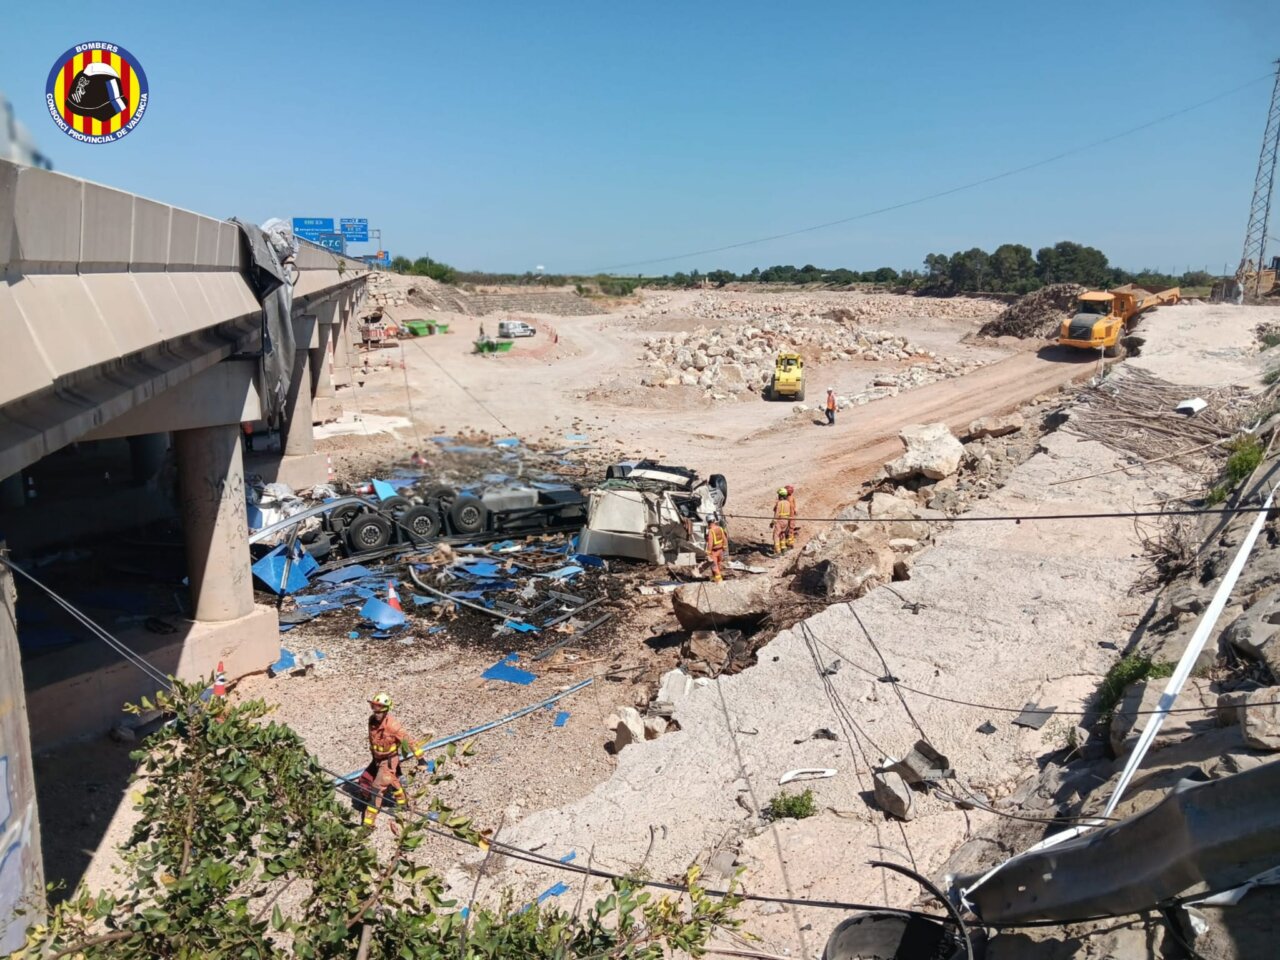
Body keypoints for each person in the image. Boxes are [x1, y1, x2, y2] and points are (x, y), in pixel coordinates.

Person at [360, 692, 425, 830]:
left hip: (389, 760)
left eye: (380, 710)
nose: (376, 713)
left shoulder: (393, 726)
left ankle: (368, 824)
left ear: (386, 710)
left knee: (376, 790)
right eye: (374, 708)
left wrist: (421, 759)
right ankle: (402, 804)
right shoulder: (372, 721)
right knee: (393, 780)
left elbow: (409, 740)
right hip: (378, 759)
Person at [705, 518, 728, 582]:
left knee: (714, 567)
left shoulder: (711, 531)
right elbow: (725, 539)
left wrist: (708, 552)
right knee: (718, 565)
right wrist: (724, 548)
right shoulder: (720, 528)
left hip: (714, 552)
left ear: (708, 522)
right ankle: (714, 578)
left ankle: (719, 581)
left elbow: (710, 543)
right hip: (720, 551)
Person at [772, 488, 792, 556]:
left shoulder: (780, 503)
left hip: (780, 520)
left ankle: (777, 551)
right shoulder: (788, 503)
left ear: (780, 495)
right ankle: (783, 548)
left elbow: (777, 513)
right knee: (782, 534)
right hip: (786, 520)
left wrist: (773, 522)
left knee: (776, 535)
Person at [785, 484, 797, 548]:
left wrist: (794, 510)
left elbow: (794, 505)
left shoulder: (789, 498)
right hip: (789, 516)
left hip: (790, 516)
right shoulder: (788, 498)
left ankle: (790, 543)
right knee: (789, 529)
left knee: (790, 529)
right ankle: (789, 542)